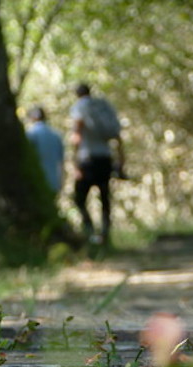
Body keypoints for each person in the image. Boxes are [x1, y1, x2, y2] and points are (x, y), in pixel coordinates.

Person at [70, 83, 125, 249]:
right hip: (105, 158)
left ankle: (90, 231)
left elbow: (77, 133)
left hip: (87, 159)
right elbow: (117, 136)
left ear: (77, 94)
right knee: (104, 197)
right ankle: (105, 233)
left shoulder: (80, 107)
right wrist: (121, 160)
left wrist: (74, 160)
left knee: (79, 198)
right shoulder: (101, 107)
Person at [25, 106, 64, 194]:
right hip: (54, 181)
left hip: (37, 181)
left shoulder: (31, 134)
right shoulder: (56, 135)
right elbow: (60, 162)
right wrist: (61, 182)